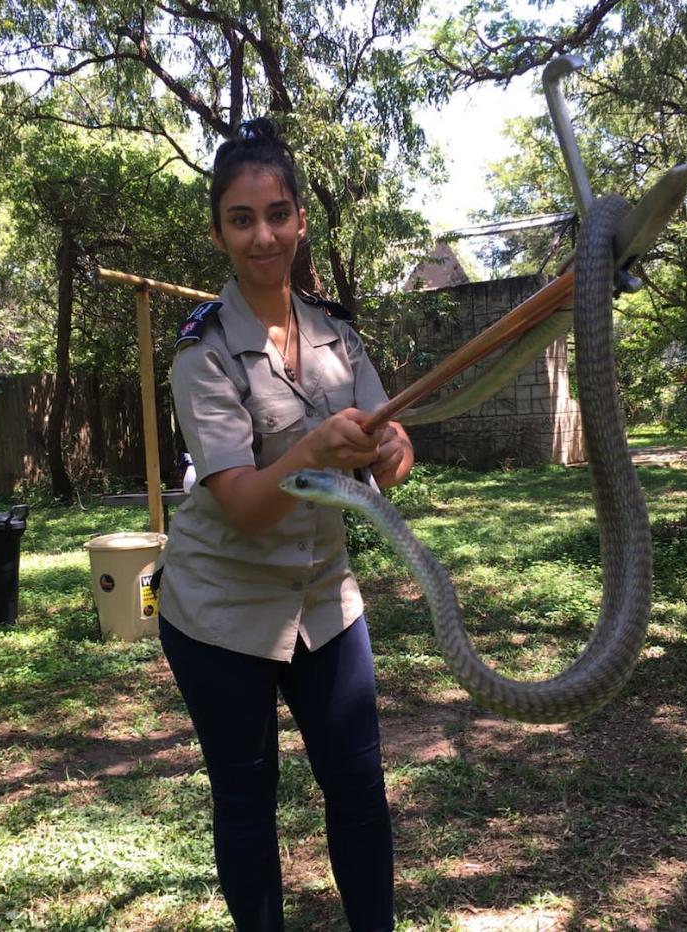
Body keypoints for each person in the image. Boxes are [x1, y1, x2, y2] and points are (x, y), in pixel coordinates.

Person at [157, 117, 414, 932]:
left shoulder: (340, 336)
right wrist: (311, 447)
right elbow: (240, 502)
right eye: (242, 218)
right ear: (220, 231)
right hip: (219, 611)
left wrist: (391, 448)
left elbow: (390, 449)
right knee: (245, 801)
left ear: (301, 220)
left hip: (325, 600)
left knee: (361, 792)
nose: (262, 234)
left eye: (277, 214)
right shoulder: (201, 355)